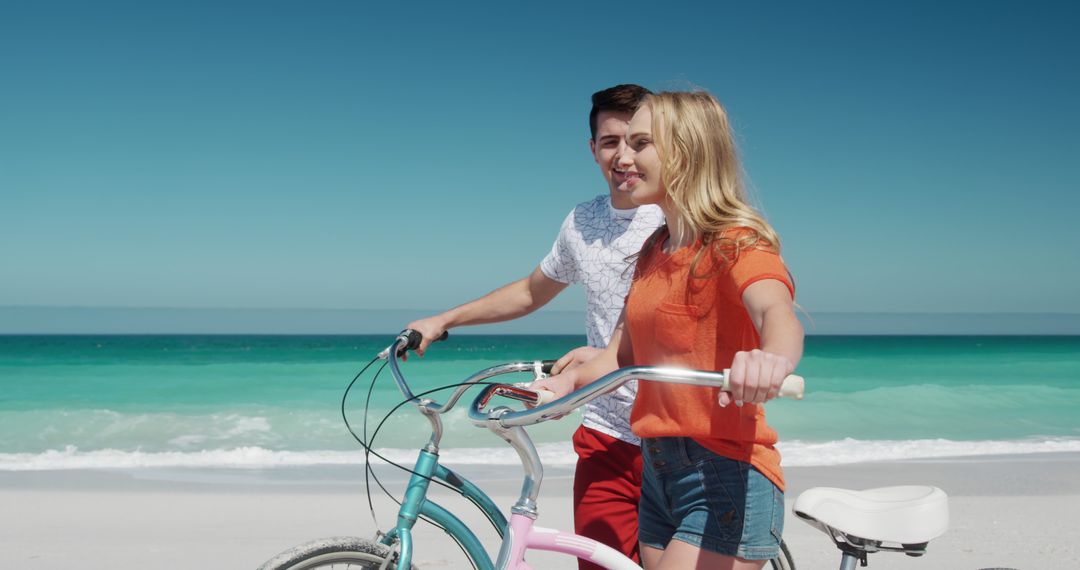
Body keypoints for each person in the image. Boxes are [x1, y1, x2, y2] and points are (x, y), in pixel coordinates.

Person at [532, 90, 804, 570]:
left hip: (723, 473)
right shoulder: (653, 252)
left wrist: (771, 359)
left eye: (641, 143)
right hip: (660, 471)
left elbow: (775, 311)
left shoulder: (736, 241)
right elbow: (620, 355)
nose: (624, 157)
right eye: (621, 143)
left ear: (686, 151)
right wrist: (564, 385)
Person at [405, 84, 663, 569]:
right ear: (592, 149)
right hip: (607, 431)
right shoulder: (583, 221)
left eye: (638, 141)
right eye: (610, 142)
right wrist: (444, 319)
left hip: (676, 434)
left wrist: (592, 361)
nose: (623, 156)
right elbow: (531, 291)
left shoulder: (680, 216)